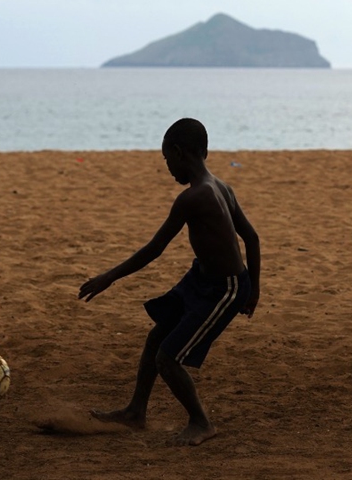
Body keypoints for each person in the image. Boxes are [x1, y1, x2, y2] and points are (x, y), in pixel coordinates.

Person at [78, 118, 260, 446]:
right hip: (201, 279)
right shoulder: (222, 186)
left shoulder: (194, 198)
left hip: (225, 288)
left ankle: (201, 422)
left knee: (167, 357)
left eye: (166, 160)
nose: (168, 168)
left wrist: (109, 277)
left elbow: (154, 249)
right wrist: (256, 288)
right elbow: (252, 238)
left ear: (178, 153)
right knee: (157, 336)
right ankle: (135, 412)